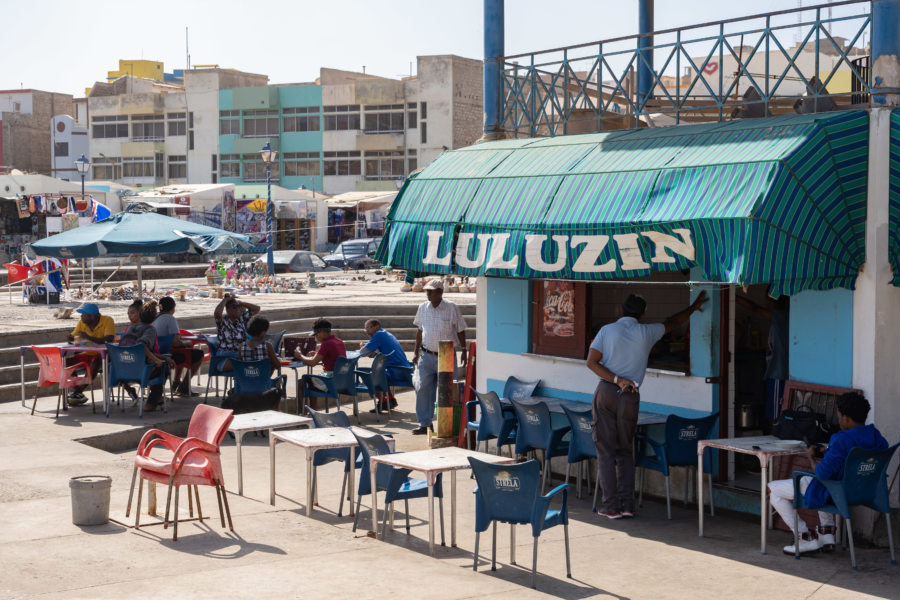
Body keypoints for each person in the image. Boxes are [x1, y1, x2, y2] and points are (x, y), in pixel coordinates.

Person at [587, 290, 708, 519]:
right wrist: (692, 308)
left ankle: (610, 506)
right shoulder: (647, 332)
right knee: (624, 450)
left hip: (606, 392)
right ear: (643, 314)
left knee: (605, 451)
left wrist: (615, 379)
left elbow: (591, 362)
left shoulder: (607, 330)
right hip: (630, 396)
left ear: (622, 309)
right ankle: (627, 505)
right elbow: (672, 322)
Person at [768, 392, 888, 555]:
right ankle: (826, 535)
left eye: (839, 416)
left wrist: (811, 457)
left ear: (845, 417)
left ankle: (804, 537)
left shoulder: (841, 439)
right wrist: (829, 452)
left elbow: (822, 473)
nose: (838, 419)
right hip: (865, 492)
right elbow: (856, 457)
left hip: (838, 492)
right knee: (823, 482)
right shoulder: (877, 437)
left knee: (773, 490)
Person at [411, 279, 468, 435]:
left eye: (431, 291)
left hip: (447, 355)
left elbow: (460, 330)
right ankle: (425, 424)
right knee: (423, 389)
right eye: (427, 291)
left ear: (440, 292)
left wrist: (464, 350)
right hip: (427, 354)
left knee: (448, 391)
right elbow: (420, 331)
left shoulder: (451, 308)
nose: (428, 294)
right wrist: (416, 352)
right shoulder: (423, 308)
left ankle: (448, 424)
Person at [736, 293, 789, 433]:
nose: (766, 300)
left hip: (779, 373)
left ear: (772, 298)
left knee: (775, 414)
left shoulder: (780, 315)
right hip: (775, 372)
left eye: (767, 297)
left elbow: (755, 308)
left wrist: (733, 297)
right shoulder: (781, 316)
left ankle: (773, 442)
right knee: (772, 410)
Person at [119, 300, 176, 412]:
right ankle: (151, 403)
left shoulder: (130, 328)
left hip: (124, 370)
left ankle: (156, 398)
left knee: (159, 364)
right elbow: (141, 346)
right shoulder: (150, 330)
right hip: (140, 370)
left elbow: (140, 350)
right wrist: (157, 360)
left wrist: (163, 358)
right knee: (163, 369)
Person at [65, 303, 115, 405]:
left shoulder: (107, 320)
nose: (81, 317)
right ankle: (77, 390)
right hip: (86, 353)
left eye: (84, 315)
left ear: (92, 316)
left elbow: (109, 339)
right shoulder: (82, 323)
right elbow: (74, 335)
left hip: (104, 355)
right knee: (65, 363)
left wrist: (89, 337)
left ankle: (78, 391)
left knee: (95, 362)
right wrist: (70, 338)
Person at [359, 318, 412, 412]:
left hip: (397, 370)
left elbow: (363, 353)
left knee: (370, 377)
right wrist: (368, 349)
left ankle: (384, 402)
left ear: (376, 326)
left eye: (369, 328)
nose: (367, 331)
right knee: (378, 373)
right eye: (365, 329)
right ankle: (390, 400)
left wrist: (365, 348)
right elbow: (376, 354)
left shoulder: (379, 335)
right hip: (403, 369)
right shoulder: (384, 333)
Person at [154, 296, 203, 397]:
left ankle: (176, 382)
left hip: (155, 353)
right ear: (173, 308)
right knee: (198, 355)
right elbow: (175, 343)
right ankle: (184, 385)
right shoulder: (170, 319)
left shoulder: (154, 317)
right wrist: (187, 343)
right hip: (167, 356)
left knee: (182, 350)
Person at [294, 318, 347, 397]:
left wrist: (300, 356)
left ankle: (302, 409)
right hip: (342, 380)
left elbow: (312, 363)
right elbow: (332, 356)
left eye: (316, 334)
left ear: (321, 332)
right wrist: (317, 354)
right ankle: (311, 409)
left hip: (330, 381)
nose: (316, 338)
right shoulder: (339, 341)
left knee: (301, 383)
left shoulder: (326, 343)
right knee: (311, 382)